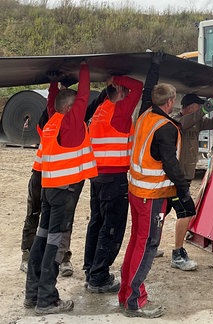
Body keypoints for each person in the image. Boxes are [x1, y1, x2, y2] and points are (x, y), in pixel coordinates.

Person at [118, 56, 195, 319]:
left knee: (136, 241)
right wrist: (184, 190)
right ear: (171, 102)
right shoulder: (167, 127)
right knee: (149, 244)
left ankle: (126, 294)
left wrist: (155, 67)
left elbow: (148, 94)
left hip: (136, 191)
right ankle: (135, 300)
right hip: (152, 196)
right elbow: (172, 164)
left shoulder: (146, 115)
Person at [24, 61, 97, 315]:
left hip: (49, 191)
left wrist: (54, 82)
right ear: (69, 108)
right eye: (76, 105)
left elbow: (52, 102)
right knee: (55, 246)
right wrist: (86, 67)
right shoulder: (69, 124)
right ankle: (47, 300)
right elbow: (84, 96)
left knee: (42, 241)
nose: (81, 107)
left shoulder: (52, 122)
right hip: (64, 193)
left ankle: (32, 295)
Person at [19, 81, 104, 276]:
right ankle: (28, 254)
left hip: (61, 176)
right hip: (42, 174)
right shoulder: (51, 117)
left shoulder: (72, 119)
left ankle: (63, 257)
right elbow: (52, 107)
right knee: (35, 214)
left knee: (63, 220)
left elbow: (86, 110)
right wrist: (56, 85)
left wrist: (104, 93)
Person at [83, 74, 143, 293]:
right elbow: (138, 86)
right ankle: (98, 277)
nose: (127, 95)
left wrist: (111, 83)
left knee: (96, 224)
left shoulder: (100, 110)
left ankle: (91, 269)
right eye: (123, 91)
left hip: (97, 176)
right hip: (114, 177)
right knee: (111, 228)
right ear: (119, 91)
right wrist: (117, 78)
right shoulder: (118, 111)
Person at [169, 94, 213, 271]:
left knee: (169, 211)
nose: (201, 110)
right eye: (199, 107)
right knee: (185, 212)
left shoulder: (197, 120)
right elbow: (183, 124)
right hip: (176, 177)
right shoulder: (175, 120)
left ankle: (152, 247)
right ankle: (177, 254)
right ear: (190, 107)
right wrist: (203, 111)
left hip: (186, 175)